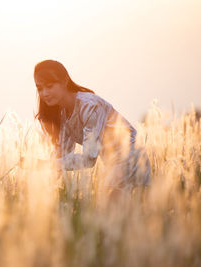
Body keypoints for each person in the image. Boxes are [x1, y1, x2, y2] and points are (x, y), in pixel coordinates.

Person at [32, 59, 150, 193]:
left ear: (64, 81)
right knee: (113, 212)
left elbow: (89, 159)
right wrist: (38, 188)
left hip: (131, 158)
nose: (45, 93)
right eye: (40, 88)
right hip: (112, 165)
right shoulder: (63, 115)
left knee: (110, 211)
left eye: (49, 86)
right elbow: (62, 154)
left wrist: (45, 165)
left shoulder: (89, 106)